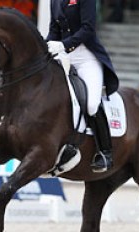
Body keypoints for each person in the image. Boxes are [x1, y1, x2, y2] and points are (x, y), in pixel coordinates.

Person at [47, 0, 119, 172]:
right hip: (64, 56)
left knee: (92, 105)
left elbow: (88, 28)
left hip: (86, 56)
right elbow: (54, 30)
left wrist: (64, 44)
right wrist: (46, 45)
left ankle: (105, 152)